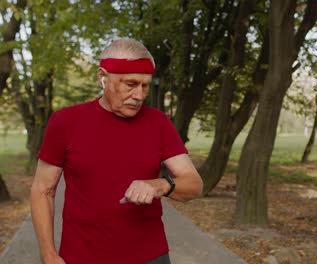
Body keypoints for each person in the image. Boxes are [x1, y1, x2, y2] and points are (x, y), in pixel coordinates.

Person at [30, 38, 203, 264]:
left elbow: (194, 184)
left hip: (150, 256)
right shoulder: (65, 122)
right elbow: (43, 190)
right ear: (102, 78)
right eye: (130, 84)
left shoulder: (159, 123)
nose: (140, 95)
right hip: (82, 257)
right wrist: (48, 255)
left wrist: (160, 184)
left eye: (145, 85)